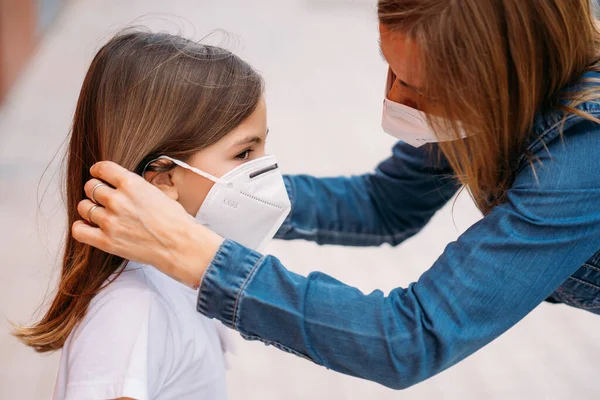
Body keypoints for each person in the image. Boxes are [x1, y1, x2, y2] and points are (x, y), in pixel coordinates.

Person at [71, 0, 600, 391]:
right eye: (389, 67)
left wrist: (198, 257)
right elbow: (385, 204)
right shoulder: (125, 318)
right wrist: (230, 196)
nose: (393, 96)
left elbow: (412, 336)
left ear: (495, 81)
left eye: (418, 85)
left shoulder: (582, 158)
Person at [13, 30, 282, 399]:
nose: (267, 169)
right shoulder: (131, 313)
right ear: (163, 177)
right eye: (244, 154)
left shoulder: (172, 275)